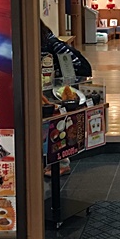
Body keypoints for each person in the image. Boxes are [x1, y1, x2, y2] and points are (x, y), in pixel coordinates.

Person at [40, 20, 93, 177]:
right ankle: (54, 162)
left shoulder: (52, 44)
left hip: (56, 89)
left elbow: (75, 65)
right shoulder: (47, 42)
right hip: (48, 87)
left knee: (55, 125)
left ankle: (61, 163)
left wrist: (62, 82)